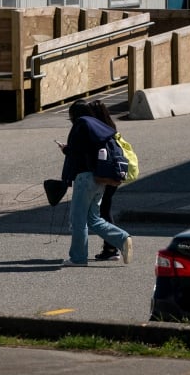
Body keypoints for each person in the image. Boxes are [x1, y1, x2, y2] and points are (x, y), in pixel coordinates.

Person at [58, 99, 132, 267]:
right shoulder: (98, 126)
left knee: (78, 220)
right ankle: (122, 238)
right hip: (99, 178)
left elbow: (77, 153)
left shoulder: (81, 125)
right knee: (93, 218)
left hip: (84, 178)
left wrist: (65, 149)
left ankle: (78, 258)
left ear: (73, 114)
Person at [88, 100, 121, 261]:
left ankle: (113, 245)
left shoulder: (97, 131)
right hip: (113, 174)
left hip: (103, 175)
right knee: (105, 209)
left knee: (102, 212)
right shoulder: (111, 128)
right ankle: (111, 246)